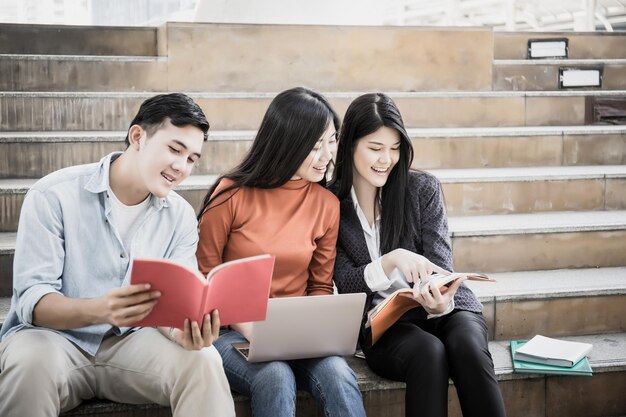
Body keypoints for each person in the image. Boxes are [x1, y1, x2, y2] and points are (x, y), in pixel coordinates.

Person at [0, 93, 235, 417]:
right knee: (29, 364)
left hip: (133, 345)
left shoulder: (180, 216)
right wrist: (100, 309)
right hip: (52, 339)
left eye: (192, 159)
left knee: (204, 360)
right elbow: (32, 300)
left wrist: (181, 331)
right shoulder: (53, 195)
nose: (181, 167)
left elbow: (171, 306)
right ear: (137, 136)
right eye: (174, 149)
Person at [331, 93, 507, 417]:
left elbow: (441, 263)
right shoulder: (332, 205)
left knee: (467, 346)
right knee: (428, 352)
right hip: (386, 326)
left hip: (447, 309)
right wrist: (389, 260)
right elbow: (345, 280)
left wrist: (441, 299)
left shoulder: (421, 189)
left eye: (395, 148)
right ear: (350, 145)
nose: (386, 159)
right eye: (375, 148)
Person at [196, 87, 366, 417]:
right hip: (231, 332)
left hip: (295, 334)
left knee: (339, 374)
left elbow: (319, 286)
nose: (327, 155)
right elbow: (205, 277)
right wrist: (248, 325)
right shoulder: (231, 194)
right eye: (315, 146)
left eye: (331, 141)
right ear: (286, 142)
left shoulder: (326, 205)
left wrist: (318, 331)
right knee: (274, 375)